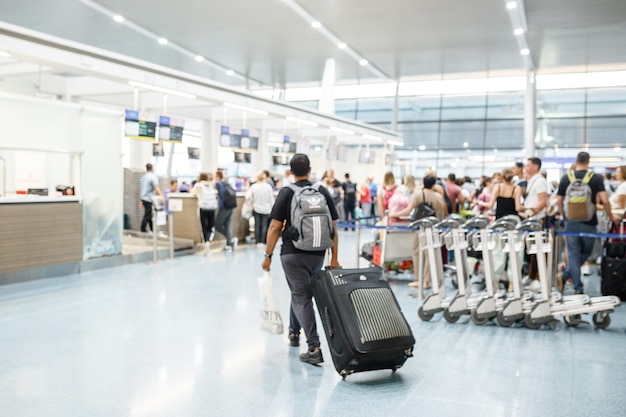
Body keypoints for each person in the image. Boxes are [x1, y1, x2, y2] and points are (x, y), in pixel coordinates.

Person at [262, 154, 340, 365]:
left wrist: (267, 255)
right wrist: (334, 258)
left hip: (292, 252)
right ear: (310, 169)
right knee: (301, 293)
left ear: (290, 171)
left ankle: (314, 348)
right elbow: (333, 227)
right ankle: (294, 332)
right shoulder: (321, 191)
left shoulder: (287, 192)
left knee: (301, 296)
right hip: (317, 253)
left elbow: (275, 226)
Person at [556, 152, 619, 294]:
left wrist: (564, 215)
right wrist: (611, 216)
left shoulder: (566, 177)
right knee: (587, 252)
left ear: (576, 160)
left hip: (570, 222)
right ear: (588, 161)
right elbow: (605, 200)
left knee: (573, 254)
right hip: (589, 222)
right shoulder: (595, 178)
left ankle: (566, 275)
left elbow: (558, 200)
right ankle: (577, 286)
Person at [389, 175, 445, 289]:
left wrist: (393, 214)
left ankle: (418, 279)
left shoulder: (418, 194)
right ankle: (427, 281)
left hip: (419, 228)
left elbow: (408, 210)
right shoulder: (438, 197)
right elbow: (440, 215)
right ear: (434, 184)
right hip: (433, 228)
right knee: (430, 254)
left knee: (417, 253)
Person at [488, 168, 523, 290]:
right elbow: (518, 207)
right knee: (515, 252)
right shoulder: (516, 189)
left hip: (500, 223)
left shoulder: (497, 188)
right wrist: (529, 208)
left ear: (501, 177)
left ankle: (495, 282)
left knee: (498, 252)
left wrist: (480, 203)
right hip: (514, 222)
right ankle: (513, 284)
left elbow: (490, 205)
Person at [518, 157, 548, 290]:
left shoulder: (540, 181)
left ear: (536, 166)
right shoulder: (531, 181)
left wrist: (532, 213)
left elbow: (543, 202)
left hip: (537, 220)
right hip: (530, 220)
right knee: (531, 250)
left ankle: (538, 278)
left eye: (528, 165)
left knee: (538, 250)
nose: (526, 167)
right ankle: (531, 275)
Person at [246, 171, 275, 245]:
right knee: (264, 225)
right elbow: (271, 199)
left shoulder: (254, 186)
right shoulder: (268, 187)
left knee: (257, 225)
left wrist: (252, 201)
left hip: (256, 208)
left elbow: (247, 197)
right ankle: (263, 241)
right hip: (267, 209)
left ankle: (257, 241)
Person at [191, 173, 218, 246]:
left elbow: (192, 192)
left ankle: (205, 242)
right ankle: (209, 240)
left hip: (203, 207)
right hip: (212, 207)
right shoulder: (211, 185)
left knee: (203, 226)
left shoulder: (198, 185)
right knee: (210, 226)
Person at [214, 170, 238, 251]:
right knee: (227, 225)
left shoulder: (218, 183)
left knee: (217, 225)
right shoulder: (227, 183)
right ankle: (229, 243)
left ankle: (230, 240)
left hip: (224, 207)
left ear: (217, 176)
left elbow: (220, 195)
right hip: (230, 206)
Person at [140, 163, 162, 233]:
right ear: (152, 168)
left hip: (143, 198)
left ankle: (152, 230)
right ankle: (142, 230)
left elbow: (142, 189)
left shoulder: (143, 177)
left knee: (149, 215)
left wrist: (141, 200)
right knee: (147, 215)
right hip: (149, 198)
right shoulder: (153, 177)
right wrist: (162, 197)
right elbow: (156, 188)